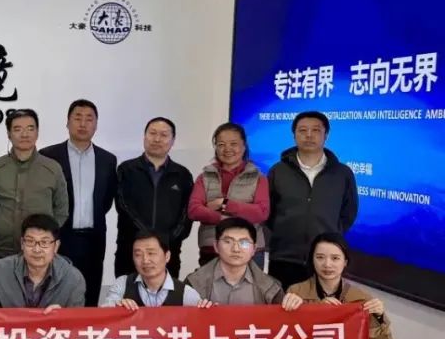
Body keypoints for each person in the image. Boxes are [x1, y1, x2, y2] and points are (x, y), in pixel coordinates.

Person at [267, 111, 358, 291]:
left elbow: (348, 212)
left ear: (326, 135)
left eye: (316, 130)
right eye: (302, 130)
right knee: (281, 306)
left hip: (325, 261)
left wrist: (331, 233)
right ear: (294, 135)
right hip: (284, 257)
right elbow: (269, 212)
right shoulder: (278, 171)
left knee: (322, 307)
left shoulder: (342, 173)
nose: (309, 135)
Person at [39, 99, 118, 306]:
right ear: (67, 122)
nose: (83, 124)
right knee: (56, 294)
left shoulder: (107, 160)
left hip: (94, 238)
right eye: (77, 118)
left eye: (89, 119)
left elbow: (106, 200)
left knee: (90, 294)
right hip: (61, 236)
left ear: (96, 125)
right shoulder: (48, 156)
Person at [113, 118, 193, 278]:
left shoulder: (182, 174)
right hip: (131, 251)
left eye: (164, 135)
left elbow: (187, 214)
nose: (157, 139)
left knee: (167, 293)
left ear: (173, 140)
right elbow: (123, 206)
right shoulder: (127, 170)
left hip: (168, 252)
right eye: (152, 133)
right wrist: (146, 236)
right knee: (128, 292)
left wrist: (166, 240)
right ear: (144, 137)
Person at [0, 108, 69, 263]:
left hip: (40, 253)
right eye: (18, 129)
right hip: (3, 250)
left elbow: (61, 209)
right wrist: (0, 225)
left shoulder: (52, 168)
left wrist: (45, 236)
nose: (24, 134)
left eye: (30, 129)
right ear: (9, 134)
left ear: (37, 133)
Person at [188, 122, 268, 267]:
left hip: (249, 251)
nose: (227, 149)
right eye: (221, 144)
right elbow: (194, 210)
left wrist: (223, 204)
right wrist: (223, 218)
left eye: (233, 144)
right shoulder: (204, 177)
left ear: (244, 146)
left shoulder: (258, 178)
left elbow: (261, 213)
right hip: (211, 248)